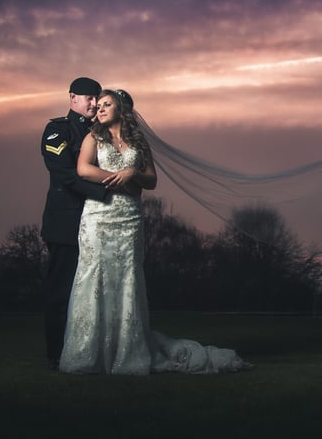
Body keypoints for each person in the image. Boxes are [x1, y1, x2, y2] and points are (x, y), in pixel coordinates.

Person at [59, 89, 249, 375]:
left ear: (122, 109)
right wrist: (121, 180)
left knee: (127, 279)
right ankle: (88, 354)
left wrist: (133, 173)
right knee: (94, 278)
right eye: (98, 105)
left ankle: (126, 351)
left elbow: (152, 180)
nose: (99, 109)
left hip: (130, 219)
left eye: (106, 104)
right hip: (99, 218)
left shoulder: (138, 142)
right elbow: (83, 170)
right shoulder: (93, 138)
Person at [40, 77, 107, 371]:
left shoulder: (102, 131)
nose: (93, 103)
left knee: (93, 289)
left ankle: (88, 349)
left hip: (97, 221)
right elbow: (65, 175)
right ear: (72, 98)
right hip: (66, 222)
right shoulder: (57, 130)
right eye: (87, 97)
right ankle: (56, 353)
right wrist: (103, 192)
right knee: (61, 290)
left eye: (96, 97)